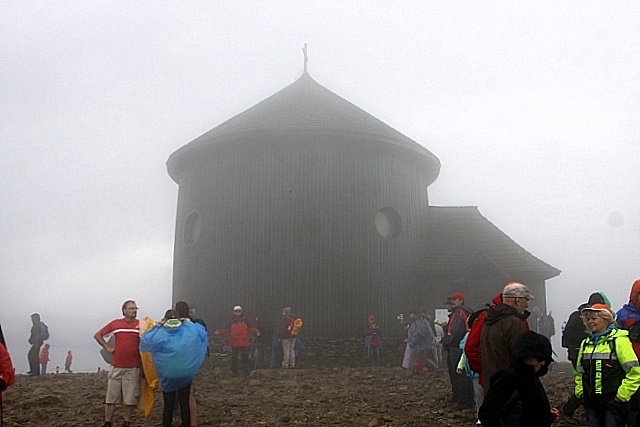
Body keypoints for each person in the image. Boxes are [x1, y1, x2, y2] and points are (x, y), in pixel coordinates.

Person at [140, 306, 207, 427]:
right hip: (185, 372)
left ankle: (167, 424)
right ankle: (186, 424)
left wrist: (156, 325)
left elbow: (145, 341)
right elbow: (202, 333)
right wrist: (189, 322)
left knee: (168, 404)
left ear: (165, 319)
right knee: (184, 402)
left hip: (168, 374)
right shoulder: (187, 329)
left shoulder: (161, 332)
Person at [575, 303, 640, 427]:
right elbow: (579, 372)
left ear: (605, 319)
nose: (590, 322)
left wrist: (621, 397)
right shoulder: (586, 343)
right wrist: (581, 393)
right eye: (588, 319)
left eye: (594, 318)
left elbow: (634, 372)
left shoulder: (619, 340)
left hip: (613, 404)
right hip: (591, 403)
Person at [479, 331, 559, 427]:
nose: (542, 363)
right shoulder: (509, 378)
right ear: (526, 355)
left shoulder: (532, 377)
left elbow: (527, 408)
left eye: (545, 360)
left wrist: (545, 414)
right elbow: (488, 412)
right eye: (540, 359)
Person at [561, 291, 610, 422]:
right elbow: (567, 336)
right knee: (585, 382)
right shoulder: (577, 316)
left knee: (589, 382)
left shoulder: (592, 317)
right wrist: (579, 345)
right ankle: (569, 409)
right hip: (577, 353)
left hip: (587, 353)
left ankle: (584, 411)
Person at [94, 300, 142, 427]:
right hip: (117, 365)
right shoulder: (116, 324)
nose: (134, 311)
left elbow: (153, 332)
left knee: (130, 398)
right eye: (131, 308)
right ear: (124, 311)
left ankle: (127, 422)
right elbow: (98, 335)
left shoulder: (140, 325)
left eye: (135, 308)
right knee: (111, 396)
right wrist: (108, 348)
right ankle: (108, 422)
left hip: (133, 366)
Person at [480, 282, 531, 393]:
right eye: (526, 300)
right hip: (511, 389)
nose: (526, 305)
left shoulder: (489, 321)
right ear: (517, 300)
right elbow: (522, 359)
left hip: (491, 386)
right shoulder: (514, 323)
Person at [442, 292, 474, 408]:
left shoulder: (459, 312)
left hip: (457, 347)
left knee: (459, 373)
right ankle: (463, 397)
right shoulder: (465, 311)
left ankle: (463, 400)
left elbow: (456, 331)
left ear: (461, 301)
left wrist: (447, 342)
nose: (453, 302)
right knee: (463, 373)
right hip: (462, 345)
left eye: (455, 300)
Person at [215, 305, 260, 376]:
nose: (238, 312)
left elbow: (250, 328)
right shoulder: (231, 320)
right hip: (235, 342)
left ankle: (246, 371)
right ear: (234, 312)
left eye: (239, 311)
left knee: (245, 357)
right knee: (234, 357)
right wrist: (220, 332)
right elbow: (226, 329)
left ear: (241, 312)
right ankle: (234, 372)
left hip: (244, 341)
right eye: (236, 311)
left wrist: (256, 331)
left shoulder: (245, 320)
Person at [405, 310, 439, 377]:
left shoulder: (418, 322)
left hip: (418, 344)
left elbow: (420, 333)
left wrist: (413, 342)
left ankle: (409, 373)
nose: (411, 316)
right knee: (424, 358)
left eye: (412, 314)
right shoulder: (420, 322)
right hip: (422, 344)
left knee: (411, 358)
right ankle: (436, 368)